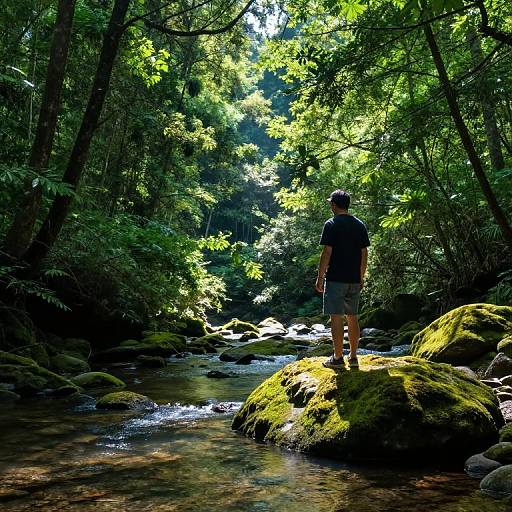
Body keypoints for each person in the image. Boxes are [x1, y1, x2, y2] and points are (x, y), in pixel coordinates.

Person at [315, 189, 370, 369]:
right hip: (354, 279)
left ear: (333, 205)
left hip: (336, 279)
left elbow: (327, 252)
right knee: (352, 317)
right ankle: (353, 357)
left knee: (336, 317)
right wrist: (361, 276)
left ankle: (338, 358)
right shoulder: (359, 225)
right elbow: (364, 254)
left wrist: (320, 277)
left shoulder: (331, 224)